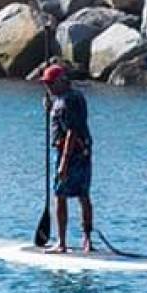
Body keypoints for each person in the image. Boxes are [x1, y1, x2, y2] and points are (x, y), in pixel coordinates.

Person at [41, 64, 93, 253]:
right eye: (46, 84)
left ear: (62, 82)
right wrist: (50, 108)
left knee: (60, 196)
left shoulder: (64, 103)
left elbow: (70, 131)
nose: (48, 87)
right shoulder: (76, 96)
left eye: (51, 83)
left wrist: (63, 163)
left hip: (68, 153)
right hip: (84, 152)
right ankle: (87, 241)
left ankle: (61, 243)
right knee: (83, 195)